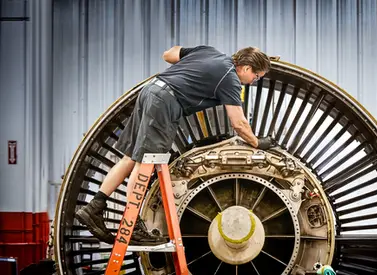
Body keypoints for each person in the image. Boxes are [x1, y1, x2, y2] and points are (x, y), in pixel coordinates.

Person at [75, 45, 275, 245]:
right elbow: (238, 123)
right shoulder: (230, 79)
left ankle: (95, 205)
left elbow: (168, 54)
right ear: (246, 68)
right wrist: (257, 143)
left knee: (130, 158)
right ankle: (132, 224)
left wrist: (193, 71)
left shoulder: (209, 52)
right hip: (165, 104)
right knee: (145, 163)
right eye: (256, 76)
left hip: (150, 92)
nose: (254, 81)